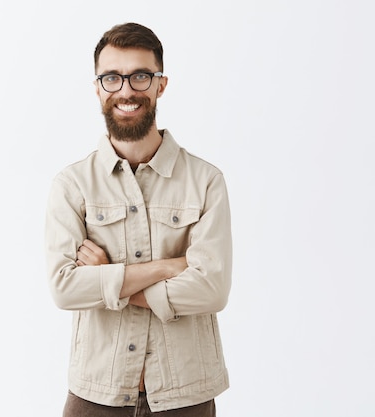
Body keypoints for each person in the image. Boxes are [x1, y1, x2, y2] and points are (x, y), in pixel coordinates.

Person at [45, 22, 232, 416]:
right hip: (96, 394)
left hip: (186, 395)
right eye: (112, 77)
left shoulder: (206, 181)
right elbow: (65, 288)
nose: (126, 90)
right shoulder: (72, 185)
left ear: (160, 84)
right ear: (97, 87)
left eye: (140, 76)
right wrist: (169, 267)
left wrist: (109, 279)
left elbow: (212, 289)